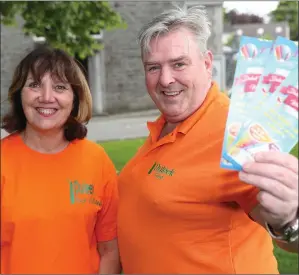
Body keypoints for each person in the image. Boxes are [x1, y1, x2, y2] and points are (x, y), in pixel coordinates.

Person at [117, 6, 298, 274]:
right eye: (153, 67)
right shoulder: (165, 126)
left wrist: (289, 221)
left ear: (206, 63)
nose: (166, 79)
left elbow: (284, 227)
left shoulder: (236, 132)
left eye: (179, 64)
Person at [1, 46, 120, 274]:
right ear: (19, 94)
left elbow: (109, 250)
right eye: (34, 85)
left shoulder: (97, 161)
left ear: (75, 98)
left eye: (60, 87)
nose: (46, 97)